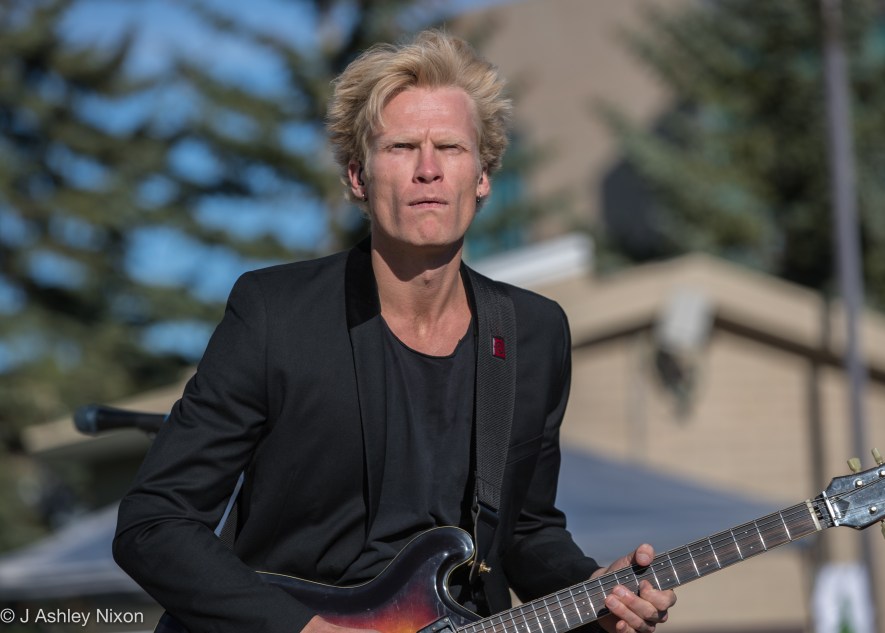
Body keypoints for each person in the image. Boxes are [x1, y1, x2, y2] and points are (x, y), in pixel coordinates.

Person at [113, 29, 676, 633]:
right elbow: (154, 523)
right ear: (358, 176)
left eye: (451, 148)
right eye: (402, 146)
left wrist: (591, 590)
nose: (428, 170)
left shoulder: (534, 333)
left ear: (482, 177)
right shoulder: (276, 314)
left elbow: (527, 530)